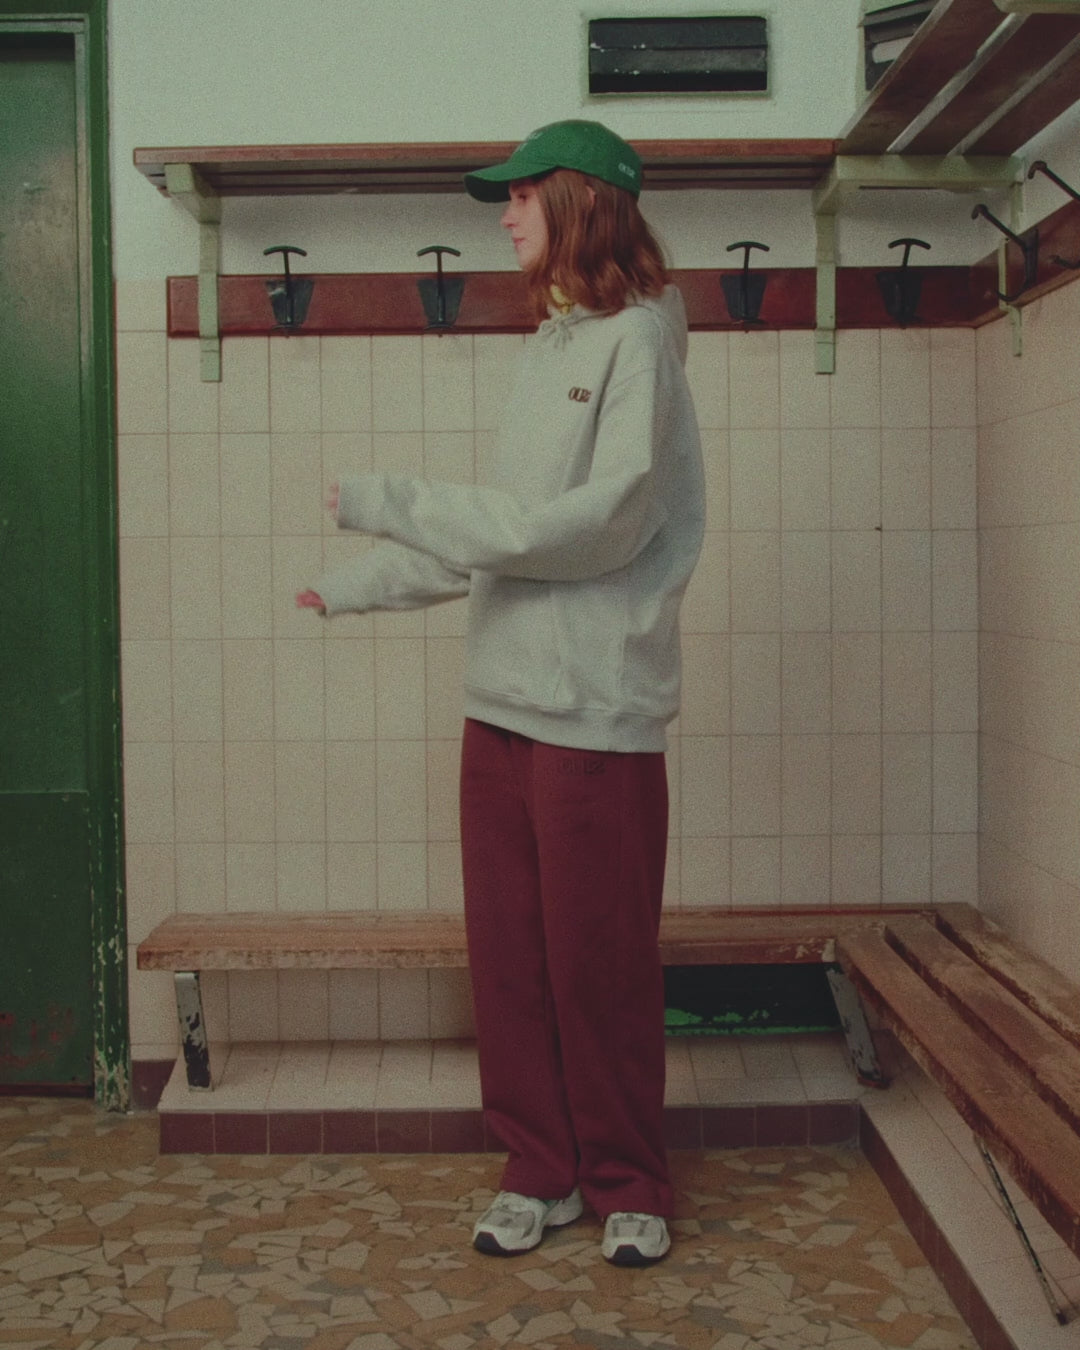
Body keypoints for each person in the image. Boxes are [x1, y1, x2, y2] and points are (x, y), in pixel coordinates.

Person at [297, 119, 705, 1267]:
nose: (507, 215)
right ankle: (541, 1170)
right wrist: (360, 585)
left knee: (598, 968)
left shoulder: (640, 345)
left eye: (522, 195)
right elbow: (504, 543)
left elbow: (587, 529)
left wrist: (390, 497)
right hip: (501, 710)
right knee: (513, 965)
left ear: (581, 202)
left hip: (595, 717)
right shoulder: (551, 349)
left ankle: (629, 1179)